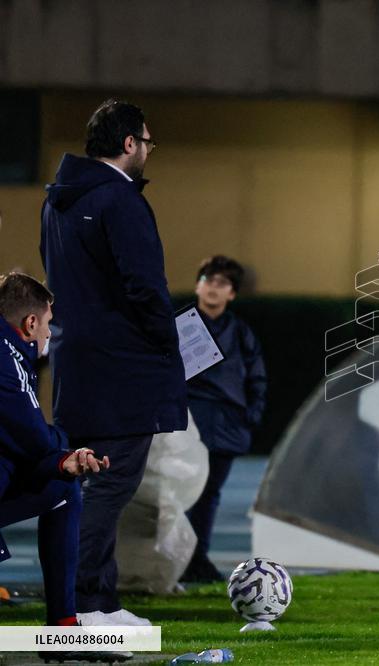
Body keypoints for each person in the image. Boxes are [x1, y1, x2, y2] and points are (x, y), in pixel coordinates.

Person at [40, 99, 187, 626]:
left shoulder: (57, 201)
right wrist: (169, 343)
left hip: (76, 363)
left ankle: (98, 602)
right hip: (123, 367)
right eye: (147, 142)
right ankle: (81, 606)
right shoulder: (120, 200)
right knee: (109, 484)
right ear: (129, 143)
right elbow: (143, 286)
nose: (148, 151)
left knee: (86, 482)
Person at [0, 273, 124, 663]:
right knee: (63, 483)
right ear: (30, 323)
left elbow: (18, 436)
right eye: (48, 323)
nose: (49, 332)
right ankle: (63, 629)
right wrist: (65, 449)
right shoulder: (5, 354)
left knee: (62, 486)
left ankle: (64, 628)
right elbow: (34, 435)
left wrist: (61, 460)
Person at [181, 256, 267, 583]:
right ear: (197, 286)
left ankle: (196, 559)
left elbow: (257, 378)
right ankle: (180, 560)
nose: (213, 287)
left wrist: (250, 417)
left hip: (227, 424)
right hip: (188, 422)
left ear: (232, 293)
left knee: (209, 494)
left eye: (222, 283)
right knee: (180, 495)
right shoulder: (180, 326)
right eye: (208, 280)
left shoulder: (241, 332)